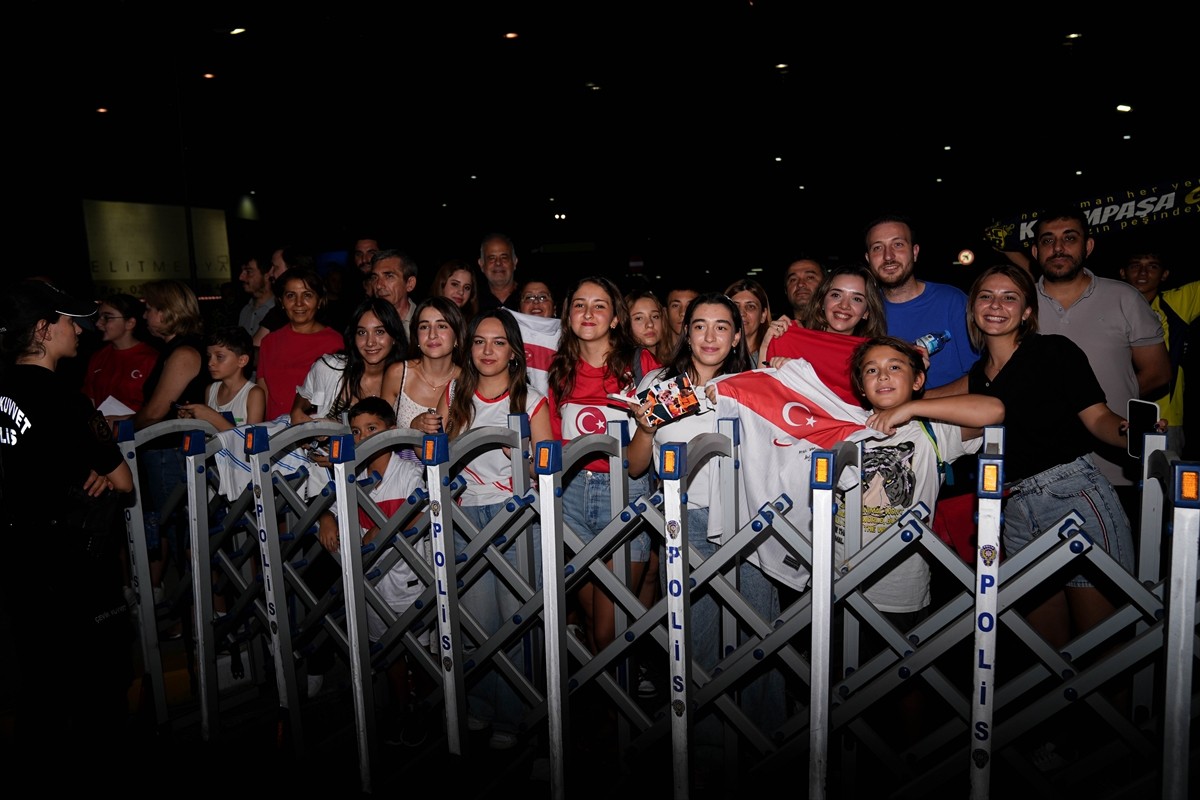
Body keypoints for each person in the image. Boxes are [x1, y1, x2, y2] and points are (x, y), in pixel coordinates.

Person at [625, 292, 787, 762]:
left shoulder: (758, 383)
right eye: (700, 325)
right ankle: (708, 745)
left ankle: (763, 741)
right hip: (686, 521)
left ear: (737, 335)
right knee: (697, 634)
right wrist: (646, 426)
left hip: (751, 519)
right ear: (686, 332)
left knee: (757, 626)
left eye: (722, 326)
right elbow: (636, 467)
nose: (710, 336)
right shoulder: (658, 382)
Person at [963, 264, 1138, 648]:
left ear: (1027, 311)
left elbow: (1098, 418)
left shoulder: (1054, 351)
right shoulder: (978, 375)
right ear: (973, 307)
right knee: (1047, 656)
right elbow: (927, 397)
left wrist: (1129, 431)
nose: (996, 305)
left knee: (1104, 651)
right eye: (986, 296)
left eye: (1010, 297)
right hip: (1015, 511)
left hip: (1074, 498)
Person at [0, 280, 136, 773]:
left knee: (39, 680)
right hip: (73, 561)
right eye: (68, 321)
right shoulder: (66, 400)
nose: (79, 330)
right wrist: (97, 472)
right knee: (98, 684)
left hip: (18, 557)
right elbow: (122, 481)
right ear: (42, 329)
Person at [844, 335, 1002, 742]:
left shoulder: (931, 432)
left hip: (902, 584)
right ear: (860, 386)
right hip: (838, 582)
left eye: (896, 367)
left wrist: (912, 408)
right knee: (844, 681)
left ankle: (908, 761)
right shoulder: (844, 425)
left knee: (906, 678)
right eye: (872, 369)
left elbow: (993, 408)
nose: (883, 375)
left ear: (917, 380)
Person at [436, 309, 552, 750]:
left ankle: (518, 713)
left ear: (514, 353)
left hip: (514, 517)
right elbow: (442, 454)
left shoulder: (531, 400)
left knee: (516, 619)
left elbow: (546, 466)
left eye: (498, 342)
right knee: (476, 620)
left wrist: (524, 463)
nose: (487, 350)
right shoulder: (454, 392)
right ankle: (483, 706)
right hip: (465, 515)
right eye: (480, 341)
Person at [1023, 208, 1169, 519]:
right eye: (1048, 240)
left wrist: (1092, 405)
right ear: (1036, 251)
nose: (1059, 248)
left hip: (1115, 467)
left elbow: (1158, 373)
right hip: (1037, 471)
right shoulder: (1018, 304)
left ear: (1087, 247)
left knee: (1120, 564)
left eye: (1070, 239)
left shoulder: (1124, 297)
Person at [546, 275, 661, 658]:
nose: (588, 312)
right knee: (594, 621)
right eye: (579, 304)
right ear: (568, 315)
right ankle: (613, 713)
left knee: (610, 629)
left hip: (625, 492)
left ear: (615, 319)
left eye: (600, 305)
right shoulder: (558, 369)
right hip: (572, 495)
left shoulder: (640, 363)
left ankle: (625, 711)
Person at [313, 397, 430, 746]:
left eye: (372, 429)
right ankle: (401, 706)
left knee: (418, 649)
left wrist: (381, 529)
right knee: (387, 648)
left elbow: (423, 508)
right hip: (371, 580)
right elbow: (327, 503)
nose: (363, 437)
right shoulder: (351, 474)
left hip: (408, 575)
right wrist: (325, 518)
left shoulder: (408, 471)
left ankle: (425, 707)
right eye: (356, 431)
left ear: (391, 431)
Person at [132, 279, 210, 604]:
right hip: (168, 452)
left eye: (149, 309)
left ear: (167, 312)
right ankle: (194, 620)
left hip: (172, 453)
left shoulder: (184, 351)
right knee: (178, 536)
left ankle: (202, 623)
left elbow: (155, 411)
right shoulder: (175, 349)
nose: (145, 316)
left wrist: (118, 426)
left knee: (184, 539)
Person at [863, 215, 977, 390]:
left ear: (915, 252)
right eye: (878, 248)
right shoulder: (864, 310)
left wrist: (916, 406)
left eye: (898, 244)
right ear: (868, 259)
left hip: (952, 414)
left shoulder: (952, 300)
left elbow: (980, 376)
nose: (888, 256)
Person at [1118, 243, 1197, 458]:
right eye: (1135, 266)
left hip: (1166, 417)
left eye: (1152, 266)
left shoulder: (1176, 302)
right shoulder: (1107, 302)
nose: (1143, 272)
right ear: (1123, 272)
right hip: (1114, 413)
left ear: (1164, 274)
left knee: (1166, 485)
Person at [255, 266, 344, 421]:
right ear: (281, 302)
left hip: (314, 435)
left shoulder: (334, 342)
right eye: (290, 295)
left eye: (307, 295)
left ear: (320, 301)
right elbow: (262, 395)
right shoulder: (269, 342)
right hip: (275, 436)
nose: (299, 303)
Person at [385, 297, 466, 448]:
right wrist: (412, 429)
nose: (432, 334)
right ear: (416, 336)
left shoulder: (466, 381)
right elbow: (380, 435)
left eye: (442, 326)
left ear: (456, 336)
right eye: (424, 327)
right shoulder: (398, 374)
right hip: (400, 468)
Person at [82, 292, 159, 415]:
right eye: (99, 317)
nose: (98, 324)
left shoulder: (151, 359)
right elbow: (89, 399)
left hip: (140, 433)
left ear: (130, 323)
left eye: (107, 317)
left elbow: (157, 410)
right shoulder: (98, 357)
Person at [178, 326, 265, 431]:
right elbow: (209, 432)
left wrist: (212, 417)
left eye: (219, 357)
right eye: (209, 356)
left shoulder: (253, 394)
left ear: (242, 360)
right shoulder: (211, 390)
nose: (210, 363)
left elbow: (251, 442)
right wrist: (192, 419)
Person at [724, 277, 772, 367]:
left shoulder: (775, 356)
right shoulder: (715, 355)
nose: (741, 313)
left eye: (750, 306)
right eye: (735, 306)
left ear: (763, 315)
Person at [369, 249, 420, 329]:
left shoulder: (423, 322)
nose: (378, 285)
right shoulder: (366, 322)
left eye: (389, 276)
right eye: (375, 277)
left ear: (410, 283)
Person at [236, 252, 276, 343]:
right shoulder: (245, 310)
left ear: (266, 275)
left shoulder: (281, 311)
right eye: (242, 272)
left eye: (248, 272)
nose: (241, 277)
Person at [477, 233, 521, 312]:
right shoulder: (473, 303)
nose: (498, 263)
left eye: (504, 257)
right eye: (491, 258)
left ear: (514, 262)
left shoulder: (528, 299)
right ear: (482, 265)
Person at [624, 289, 669, 364]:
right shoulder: (621, 368)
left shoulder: (678, 362)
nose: (650, 324)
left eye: (655, 316)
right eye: (639, 318)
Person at [660, 284, 699, 367]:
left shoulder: (708, 353)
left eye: (690, 305)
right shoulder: (652, 356)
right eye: (675, 306)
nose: (683, 313)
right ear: (666, 312)